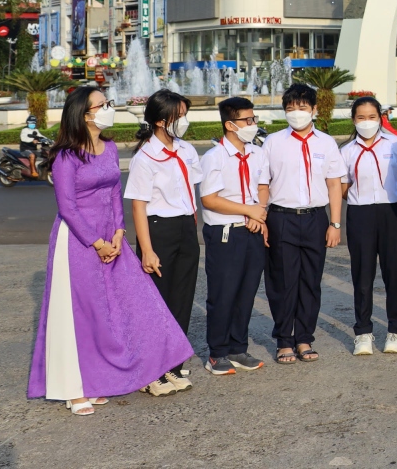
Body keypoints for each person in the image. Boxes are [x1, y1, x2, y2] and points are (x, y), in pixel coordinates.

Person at [29, 86, 193, 413]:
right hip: (77, 241)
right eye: (102, 105)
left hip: (111, 238)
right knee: (77, 314)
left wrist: (118, 232)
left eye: (108, 103)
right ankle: (74, 388)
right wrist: (97, 242)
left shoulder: (110, 148)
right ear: (84, 114)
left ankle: (101, 378)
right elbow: (68, 207)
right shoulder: (66, 156)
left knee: (118, 309)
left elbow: (116, 192)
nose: (108, 108)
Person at [261, 83, 346, 365]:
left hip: (315, 217)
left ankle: (304, 338)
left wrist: (334, 223)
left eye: (302, 108)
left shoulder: (326, 142)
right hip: (281, 217)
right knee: (283, 281)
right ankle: (284, 340)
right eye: (290, 108)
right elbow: (263, 184)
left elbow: (334, 184)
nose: (296, 113)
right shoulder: (273, 142)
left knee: (310, 280)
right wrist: (262, 218)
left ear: (314, 110)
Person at [125, 88, 200, 386]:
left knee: (183, 297)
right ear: (160, 121)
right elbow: (138, 206)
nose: (183, 121)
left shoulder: (186, 150)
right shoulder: (145, 157)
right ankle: (153, 368)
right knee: (159, 300)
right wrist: (146, 249)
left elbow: (192, 189)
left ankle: (175, 361)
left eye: (184, 115)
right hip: (159, 229)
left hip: (185, 227)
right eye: (177, 116)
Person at [197, 97, 270, 376]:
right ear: (230, 124)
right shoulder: (214, 157)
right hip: (225, 232)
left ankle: (239, 347)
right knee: (223, 293)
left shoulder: (257, 153)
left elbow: (263, 187)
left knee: (247, 292)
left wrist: (258, 213)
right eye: (247, 120)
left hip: (251, 229)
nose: (253, 125)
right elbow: (210, 200)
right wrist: (247, 211)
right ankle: (217, 352)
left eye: (254, 119)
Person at [339, 95, 397, 356]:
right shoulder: (346, 151)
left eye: (372, 117)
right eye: (361, 117)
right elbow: (343, 187)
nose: (366, 122)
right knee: (362, 276)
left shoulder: (395, 145)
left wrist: (396, 198)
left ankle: (396, 332)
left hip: (391, 212)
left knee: (394, 274)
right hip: (360, 215)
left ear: (380, 118)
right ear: (353, 120)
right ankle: (363, 333)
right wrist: (362, 202)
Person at [20, 114, 44, 178]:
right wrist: (32, 140)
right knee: (32, 155)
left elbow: (41, 136)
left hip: (33, 149)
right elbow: (23, 138)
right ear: (27, 123)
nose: (32, 124)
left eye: (33, 123)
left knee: (44, 154)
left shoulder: (35, 130)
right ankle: (33, 171)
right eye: (30, 123)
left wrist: (48, 140)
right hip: (25, 149)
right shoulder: (24, 130)